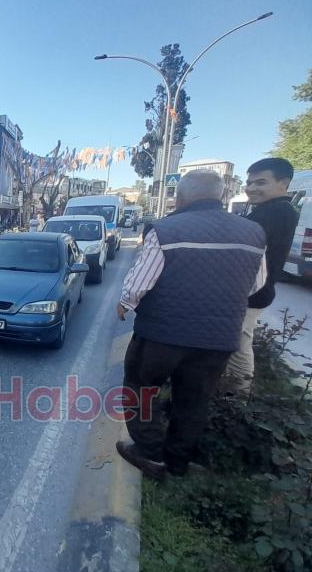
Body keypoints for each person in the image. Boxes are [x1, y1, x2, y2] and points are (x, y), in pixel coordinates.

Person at [115, 170, 267, 479]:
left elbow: (140, 283)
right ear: (221, 196)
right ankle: (178, 463)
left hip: (162, 334)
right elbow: (255, 285)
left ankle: (150, 454)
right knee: (194, 401)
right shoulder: (253, 232)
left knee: (140, 390)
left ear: (181, 196)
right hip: (218, 338)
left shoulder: (166, 230)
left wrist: (125, 304)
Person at [224, 158, 299, 390]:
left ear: (283, 183)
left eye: (261, 182)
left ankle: (236, 398)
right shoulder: (271, 210)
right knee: (237, 342)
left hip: (252, 292)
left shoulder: (275, 213)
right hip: (253, 291)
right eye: (249, 182)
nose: (252, 188)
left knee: (238, 346)